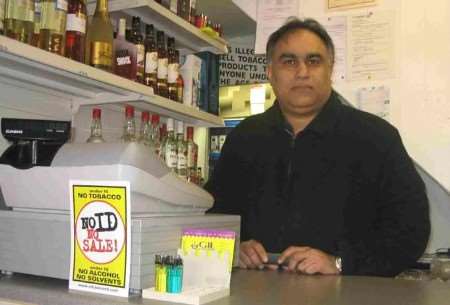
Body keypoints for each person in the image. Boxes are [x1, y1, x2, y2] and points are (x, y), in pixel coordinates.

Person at [205, 17, 430, 276]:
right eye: (289, 61)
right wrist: (234, 246)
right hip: (253, 292)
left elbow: (411, 231)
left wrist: (340, 262)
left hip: (349, 294)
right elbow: (214, 214)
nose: (302, 72)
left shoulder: (376, 138)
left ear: (330, 69)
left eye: (313, 61)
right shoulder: (244, 138)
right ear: (270, 72)